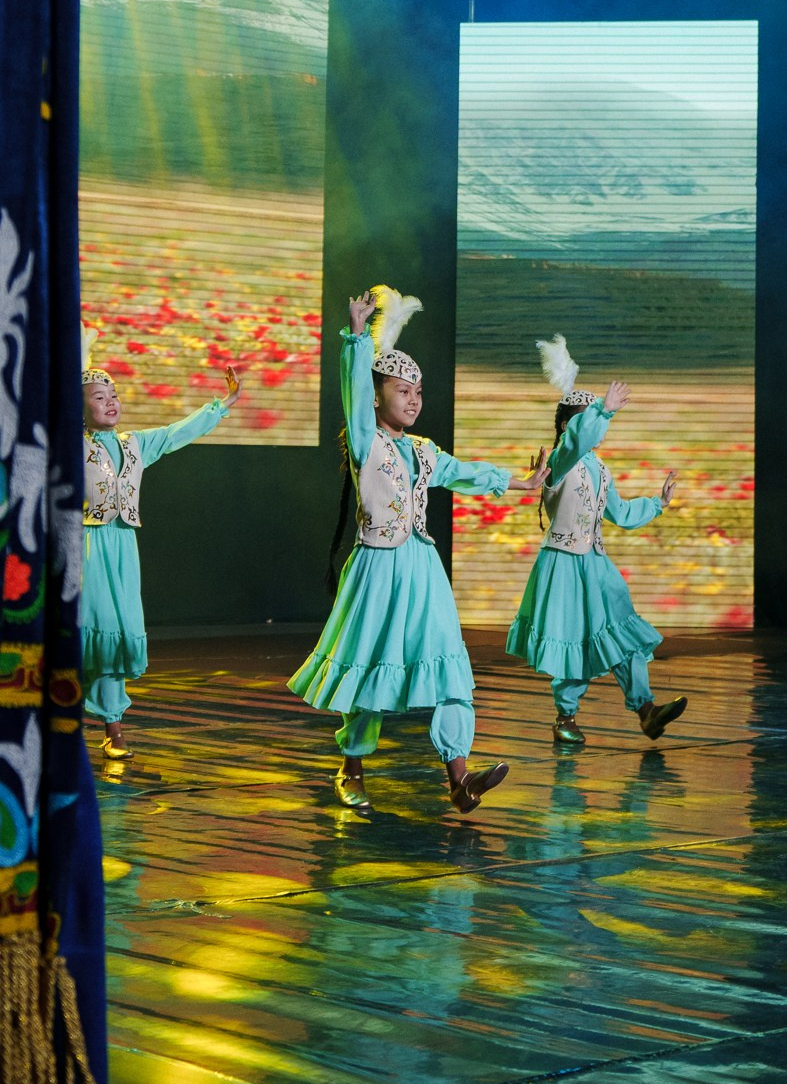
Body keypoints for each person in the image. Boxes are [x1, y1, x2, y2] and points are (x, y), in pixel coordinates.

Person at [290, 288, 546, 815]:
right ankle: (351, 767)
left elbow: (466, 472)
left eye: (419, 392)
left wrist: (520, 482)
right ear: (376, 397)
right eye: (402, 390)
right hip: (378, 568)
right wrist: (357, 337)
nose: (413, 399)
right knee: (370, 667)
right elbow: (352, 390)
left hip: (423, 568)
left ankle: (460, 777)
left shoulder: (424, 451)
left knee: (450, 665)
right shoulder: (366, 441)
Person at [506, 333, 685, 748]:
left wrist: (657, 503)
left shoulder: (599, 468)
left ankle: (646, 710)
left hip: (596, 564)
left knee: (623, 632)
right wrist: (603, 409)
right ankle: (565, 716)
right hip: (564, 562)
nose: (597, 427)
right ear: (568, 426)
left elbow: (618, 512)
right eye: (587, 419)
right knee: (575, 641)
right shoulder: (559, 460)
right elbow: (576, 441)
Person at [80, 353, 241, 757]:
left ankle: (113, 727)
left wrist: (221, 405)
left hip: (123, 547)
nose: (111, 402)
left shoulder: (133, 444)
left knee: (118, 633)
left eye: (114, 395)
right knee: (89, 627)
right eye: (99, 397)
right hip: (84, 546)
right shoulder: (68, 446)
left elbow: (174, 434)